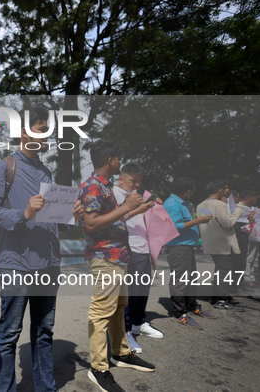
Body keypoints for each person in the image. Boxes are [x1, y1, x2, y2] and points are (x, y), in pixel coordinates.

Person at [0, 106, 83, 392]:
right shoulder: (5, 167)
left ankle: (46, 388)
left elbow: (52, 220)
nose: (47, 134)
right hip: (17, 264)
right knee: (9, 335)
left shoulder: (45, 170)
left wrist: (70, 214)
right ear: (24, 132)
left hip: (49, 264)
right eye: (41, 128)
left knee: (44, 333)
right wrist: (23, 213)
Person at [79, 140, 155, 392]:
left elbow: (111, 219)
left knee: (118, 307)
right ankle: (98, 367)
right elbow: (91, 224)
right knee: (102, 312)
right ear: (111, 160)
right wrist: (126, 206)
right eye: (119, 159)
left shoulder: (105, 186)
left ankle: (121, 353)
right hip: (105, 257)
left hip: (119, 256)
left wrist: (132, 210)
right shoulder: (92, 186)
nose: (120, 163)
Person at [112, 163, 163, 355]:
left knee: (142, 288)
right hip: (127, 248)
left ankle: (138, 322)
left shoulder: (141, 195)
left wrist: (153, 207)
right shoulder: (114, 194)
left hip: (143, 247)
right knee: (128, 293)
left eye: (139, 182)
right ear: (121, 179)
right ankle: (124, 331)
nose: (136, 185)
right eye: (133, 181)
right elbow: (114, 218)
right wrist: (139, 208)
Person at [163, 177, 215, 330]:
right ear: (188, 190)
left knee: (191, 278)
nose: (193, 192)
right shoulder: (172, 203)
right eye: (193, 189)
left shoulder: (181, 203)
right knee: (180, 280)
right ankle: (179, 313)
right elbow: (174, 226)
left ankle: (191, 306)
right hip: (178, 247)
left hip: (185, 246)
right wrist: (197, 221)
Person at [197, 180, 247, 311]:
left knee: (221, 270)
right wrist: (238, 211)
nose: (227, 191)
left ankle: (219, 296)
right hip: (223, 243)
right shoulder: (219, 205)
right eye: (225, 189)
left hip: (211, 242)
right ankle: (221, 299)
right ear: (220, 190)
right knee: (224, 270)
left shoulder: (201, 204)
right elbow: (228, 223)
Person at [234, 190, 257, 288]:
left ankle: (237, 283)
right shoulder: (238, 207)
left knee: (241, 260)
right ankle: (237, 284)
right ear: (250, 198)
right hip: (239, 237)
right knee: (240, 260)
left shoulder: (247, 208)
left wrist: (251, 220)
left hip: (243, 237)